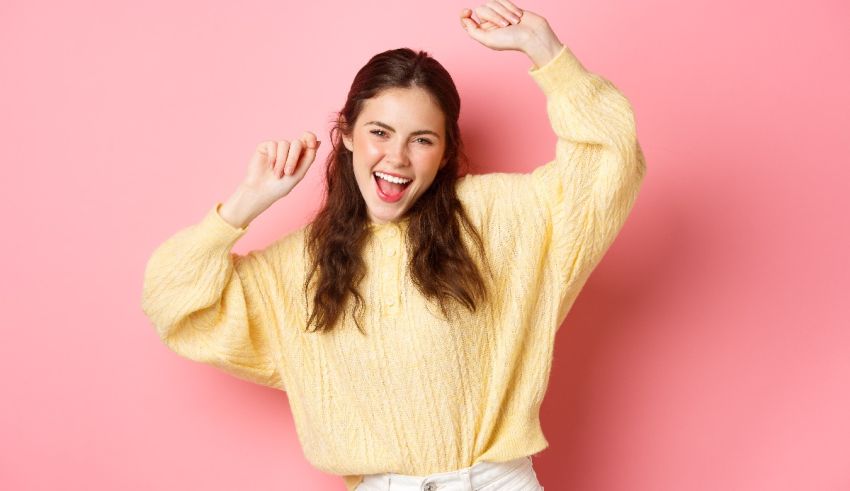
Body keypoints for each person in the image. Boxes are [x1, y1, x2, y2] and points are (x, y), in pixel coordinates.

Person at [140, 1, 646, 490]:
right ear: (348, 135)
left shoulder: (498, 218)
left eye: (423, 139)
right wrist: (244, 205)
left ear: (445, 152)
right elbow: (172, 303)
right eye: (380, 132)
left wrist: (546, 51)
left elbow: (609, 164)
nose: (398, 158)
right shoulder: (298, 265)